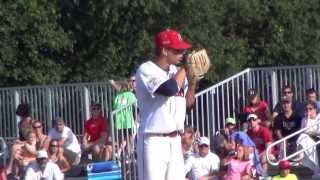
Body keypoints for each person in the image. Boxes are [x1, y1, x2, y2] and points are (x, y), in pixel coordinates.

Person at [135, 29, 196, 180]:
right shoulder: (146, 69)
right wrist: (185, 69)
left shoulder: (177, 71)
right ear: (164, 50)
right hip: (153, 140)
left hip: (175, 141)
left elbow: (188, 104)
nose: (182, 53)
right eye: (177, 50)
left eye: (182, 50)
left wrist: (194, 81)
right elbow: (168, 89)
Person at [113, 76, 137, 157]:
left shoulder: (118, 96)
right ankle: (129, 154)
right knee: (130, 138)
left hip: (119, 122)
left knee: (124, 139)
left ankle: (121, 153)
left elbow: (115, 106)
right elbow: (137, 105)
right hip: (128, 121)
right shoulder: (130, 95)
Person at [296, 101, 320, 175]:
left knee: (303, 137)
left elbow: (318, 132)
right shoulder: (304, 119)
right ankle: (301, 158)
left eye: (310, 109)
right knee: (303, 137)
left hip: (317, 138)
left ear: (315, 109)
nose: (308, 111)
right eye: (306, 109)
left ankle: (300, 158)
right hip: (308, 139)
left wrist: (308, 132)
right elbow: (304, 130)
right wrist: (308, 119)